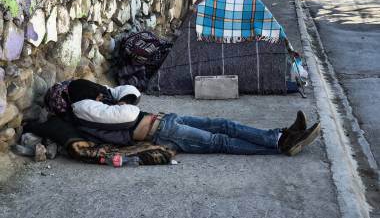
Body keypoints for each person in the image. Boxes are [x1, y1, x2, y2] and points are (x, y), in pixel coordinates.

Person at [39, 79, 321, 158]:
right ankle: (281, 143)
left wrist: (112, 93)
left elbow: (129, 92)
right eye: (98, 95)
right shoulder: (82, 109)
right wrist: (114, 97)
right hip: (161, 132)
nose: (102, 96)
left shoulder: (92, 103)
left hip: (164, 121)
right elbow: (128, 112)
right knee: (220, 140)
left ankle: (281, 135)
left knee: (225, 124)